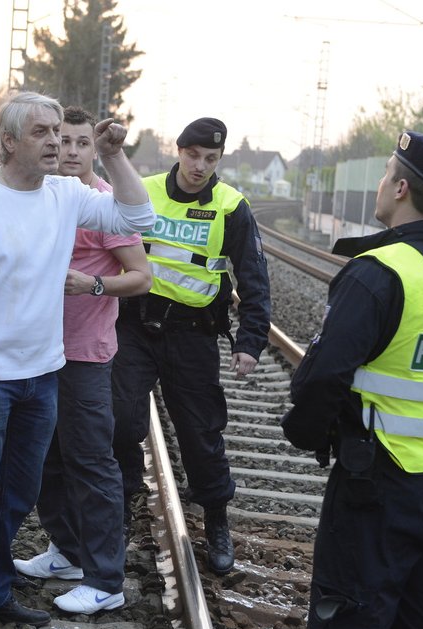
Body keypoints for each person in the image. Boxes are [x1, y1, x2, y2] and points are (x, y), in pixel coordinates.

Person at [0, 92, 154, 629]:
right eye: (41, 132)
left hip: (44, 374)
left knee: (15, 495)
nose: (56, 141)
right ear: (8, 142)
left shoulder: (66, 194)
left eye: (58, 130)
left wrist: (113, 156)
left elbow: (138, 216)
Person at [280, 132, 423, 629]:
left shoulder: (378, 275)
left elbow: (323, 375)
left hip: (376, 482)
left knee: (351, 622)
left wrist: (305, 433)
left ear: (400, 188)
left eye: (384, 174)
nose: (378, 184)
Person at [111, 117, 271, 576]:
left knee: (201, 434)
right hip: (135, 327)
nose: (200, 166)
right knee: (121, 420)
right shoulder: (143, 190)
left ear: (219, 160)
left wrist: (250, 342)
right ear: (178, 151)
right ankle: (122, 509)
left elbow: (254, 278)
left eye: (211, 159)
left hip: (194, 332)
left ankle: (217, 519)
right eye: (194, 155)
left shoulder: (230, 206)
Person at [13, 106, 151, 614]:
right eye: (62, 141)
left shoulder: (102, 205)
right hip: (38, 353)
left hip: (85, 356)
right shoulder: (46, 197)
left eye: (79, 143)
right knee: (46, 461)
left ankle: (105, 580)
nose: (69, 151)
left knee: (92, 463)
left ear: (95, 150)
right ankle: (66, 553)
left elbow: (142, 276)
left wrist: (93, 283)